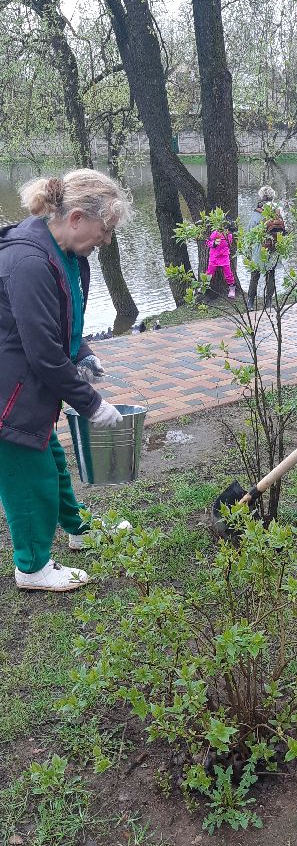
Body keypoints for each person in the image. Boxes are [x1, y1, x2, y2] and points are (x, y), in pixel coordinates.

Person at [0, 168, 133, 592]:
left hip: (26, 384)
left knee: (52, 461)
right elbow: (42, 353)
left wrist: (83, 353)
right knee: (28, 479)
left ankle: (79, 530)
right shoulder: (29, 261)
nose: (106, 239)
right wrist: (92, 404)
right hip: (8, 394)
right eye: (104, 228)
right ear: (76, 217)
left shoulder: (70, 257)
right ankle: (33, 567)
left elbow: (62, 323)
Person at [246, 185, 285, 310]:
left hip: (260, 247)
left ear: (261, 196)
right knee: (271, 274)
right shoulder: (278, 210)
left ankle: (250, 302)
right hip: (274, 246)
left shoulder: (258, 211)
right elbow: (284, 229)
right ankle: (268, 302)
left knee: (255, 274)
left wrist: (248, 248)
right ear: (273, 196)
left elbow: (250, 230)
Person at [205, 224, 236, 299]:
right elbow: (208, 243)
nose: (229, 233)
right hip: (214, 256)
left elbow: (229, 244)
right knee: (209, 272)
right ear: (225, 229)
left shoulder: (230, 235)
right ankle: (203, 285)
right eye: (229, 231)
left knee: (228, 273)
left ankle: (232, 289)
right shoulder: (216, 233)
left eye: (231, 232)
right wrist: (214, 243)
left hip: (224, 256)